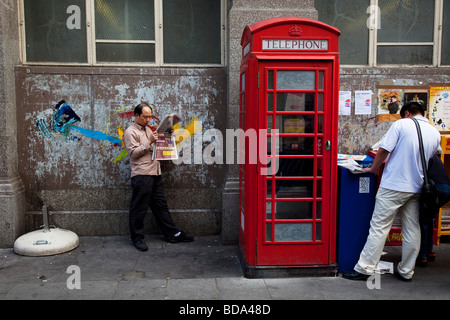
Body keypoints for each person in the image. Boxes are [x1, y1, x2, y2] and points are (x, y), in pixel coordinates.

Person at [343, 102, 440, 282]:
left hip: (394, 185)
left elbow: (383, 150)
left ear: (407, 113)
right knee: (412, 229)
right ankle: (406, 271)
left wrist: (373, 169)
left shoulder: (401, 124)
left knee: (379, 226)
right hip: (417, 187)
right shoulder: (434, 132)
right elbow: (432, 156)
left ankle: (365, 268)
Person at [123, 102, 193, 251]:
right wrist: (149, 142)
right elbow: (133, 154)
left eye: (149, 117)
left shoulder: (148, 129)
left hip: (155, 172)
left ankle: (172, 233)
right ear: (136, 115)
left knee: (161, 206)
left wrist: (168, 134)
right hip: (142, 174)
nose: (148, 120)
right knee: (139, 208)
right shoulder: (130, 132)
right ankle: (137, 238)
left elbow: (157, 146)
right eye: (144, 117)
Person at [417, 154, 450, 267]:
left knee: (424, 222)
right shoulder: (434, 157)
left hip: (434, 190)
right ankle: (430, 251)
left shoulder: (423, 155)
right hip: (445, 190)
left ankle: (423, 256)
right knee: (429, 219)